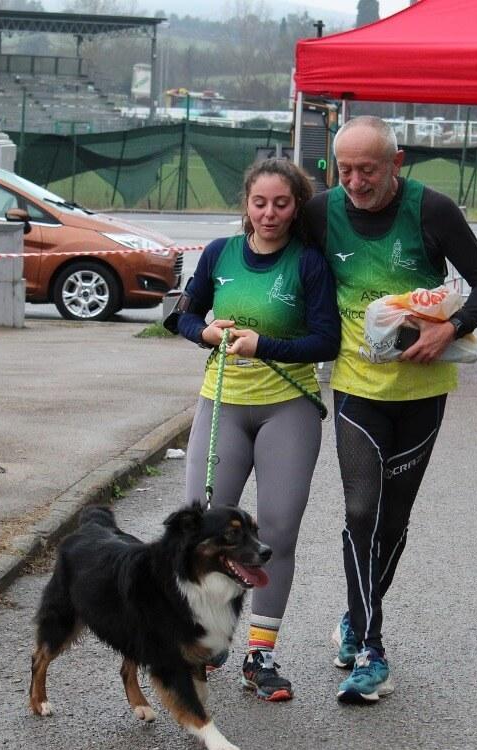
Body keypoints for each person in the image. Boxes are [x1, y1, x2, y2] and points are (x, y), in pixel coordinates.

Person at [301, 116, 477, 704]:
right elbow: (273, 253)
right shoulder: (321, 213)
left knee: (392, 524)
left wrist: (452, 328)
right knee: (362, 512)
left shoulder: (432, 211)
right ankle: (371, 650)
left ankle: (355, 614)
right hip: (357, 389)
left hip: (421, 394)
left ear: (398, 162)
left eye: (367, 169)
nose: (355, 182)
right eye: (344, 170)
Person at [172, 158, 340, 702]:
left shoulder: (308, 263)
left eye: (282, 204)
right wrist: (206, 332)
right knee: (202, 527)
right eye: (260, 203)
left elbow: (326, 341)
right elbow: (182, 316)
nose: (269, 214)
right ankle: (212, 635)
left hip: (285, 406)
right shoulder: (220, 254)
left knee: (277, 531)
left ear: (297, 207)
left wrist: (264, 345)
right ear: (246, 203)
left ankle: (260, 654)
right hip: (221, 402)